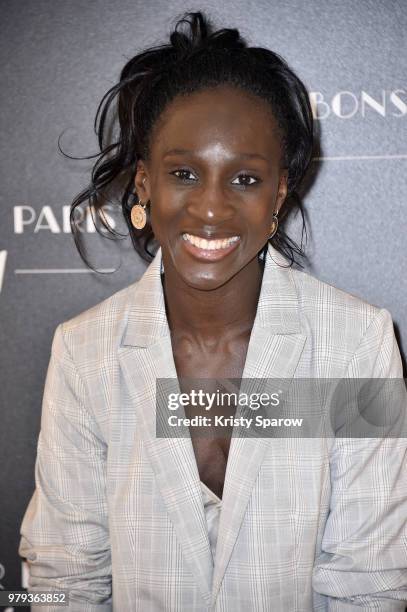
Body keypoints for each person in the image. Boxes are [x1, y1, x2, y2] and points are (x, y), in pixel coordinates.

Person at [19, 11, 407, 612]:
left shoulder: (359, 344)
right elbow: (60, 580)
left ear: (278, 193)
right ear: (144, 184)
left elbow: (372, 583)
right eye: (183, 173)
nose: (210, 208)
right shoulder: (86, 351)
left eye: (245, 178)